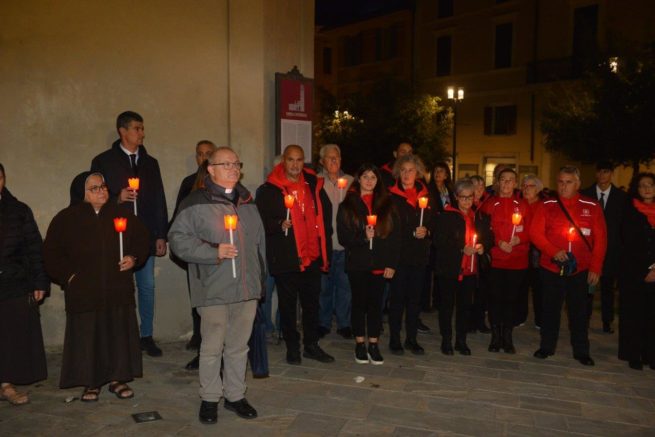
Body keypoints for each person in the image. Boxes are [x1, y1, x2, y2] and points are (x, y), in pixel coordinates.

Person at [169, 147, 265, 424]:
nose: (233, 169)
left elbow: (259, 245)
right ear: (210, 169)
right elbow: (177, 239)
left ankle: (235, 395)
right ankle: (210, 398)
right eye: (226, 164)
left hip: (246, 287)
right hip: (213, 287)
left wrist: (260, 281)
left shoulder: (248, 201)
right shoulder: (194, 202)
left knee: (239, 346)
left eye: (237, 164)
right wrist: (213, 252)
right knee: (212, 346)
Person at [44, 172, 149, 402]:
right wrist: (68, 277)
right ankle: (91, 381)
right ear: (81, 193)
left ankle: (118, 378)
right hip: (84, 291)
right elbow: (51, 253)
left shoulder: (122, 214)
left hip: (117, 288)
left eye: (103, 186)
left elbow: (142, 240)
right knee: (88, 336)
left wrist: (133, 257)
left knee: (117, 333)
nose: (101, 191)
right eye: (94, 188)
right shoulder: (66, 219)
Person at [91, 111, 168, 357]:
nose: (142, 133)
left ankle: (146, 335)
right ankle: (119, 336)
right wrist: (117, 197)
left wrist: (161, 234)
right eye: (137, 128)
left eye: (142, 128)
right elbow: (92, 196)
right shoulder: (104, 161)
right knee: (118, 287)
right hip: (115, 234)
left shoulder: (150, 163)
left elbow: (159, 199)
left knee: (147, 286)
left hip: (144, 235)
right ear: (122, 131)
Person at [256, 145, 334, 365]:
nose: (295, 164)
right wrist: (278, 224)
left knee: (311, 304)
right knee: (288, 306)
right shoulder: (270, 189)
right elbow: (260, 220)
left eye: (299, 160)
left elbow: (324, 214)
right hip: (287, 256)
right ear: (284, 161)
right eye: (291, 160)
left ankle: (311, 345)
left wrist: (324, 242)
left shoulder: (312, 184)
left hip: (312, 254)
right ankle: (292, 347)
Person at [530, 166, 607, 366]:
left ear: (578, 184)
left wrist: (596, 267)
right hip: (552, 268)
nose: (564, 186)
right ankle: (547, 346)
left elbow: (601, 239)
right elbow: (535, 233)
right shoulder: (547, 205)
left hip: (580, 270)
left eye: (569, 182)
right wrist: (552, 250)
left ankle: (581, 350)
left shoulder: (591, 206)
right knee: (550, 310)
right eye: (561, 182)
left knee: (579, 312)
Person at [337, 163, 400, 364]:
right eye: (365, 176)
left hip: (380, 262)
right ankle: (359, 343)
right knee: (358, 303)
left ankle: (373, 343)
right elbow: (343, 237)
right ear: (358, 179)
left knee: (376, 305)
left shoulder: (387, 204)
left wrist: (391, 263)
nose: (369, 181)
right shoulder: (348, 204)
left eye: (373, 177)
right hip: (358, 262)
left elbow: (395, 236)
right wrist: (363, 236)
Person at [0, 163, 49, 405]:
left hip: (14, 282)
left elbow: (34, 248)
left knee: (10, 337)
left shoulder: (18, 211)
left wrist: (40, 281)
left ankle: (6, 384)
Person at [171, 140, 217, 370]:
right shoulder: (189, 184)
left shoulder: (223, 183)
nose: (204, 158)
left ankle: (214, 349)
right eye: (200, 154)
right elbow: (179, 217)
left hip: (218, 254)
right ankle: (200, 340)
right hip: (196, 254)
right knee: (199, 300)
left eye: (208, 154)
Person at [434, 179, 489, 356]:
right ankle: (446, 340)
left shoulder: (478, 216)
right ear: (456, 197)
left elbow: (488, 236)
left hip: (470, 270)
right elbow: (439, 240)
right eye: (463, 197)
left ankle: (461, 340)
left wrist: (482, 246)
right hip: (450, 268)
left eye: (470, 197)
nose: (466, 201)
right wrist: (461, 248)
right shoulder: (447, 215)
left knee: (465, 306)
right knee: (447, 306)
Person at [480, 168, 530, 353]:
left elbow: (530, 230)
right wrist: (498, 242)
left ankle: (507, 336)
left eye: (510, 180)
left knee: (511, 299)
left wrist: (520, 239)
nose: (507, 183)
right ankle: (495, 336)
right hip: (496, 260)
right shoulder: (489, 204)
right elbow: (484, 230)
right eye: (503, 179)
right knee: (495, 299)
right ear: (498, 182)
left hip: (517, 261)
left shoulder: (523, 205)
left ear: (516, 184)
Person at [388, 154, 433, 355]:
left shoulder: (425, 195)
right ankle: (395, 339)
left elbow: (433, 222)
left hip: (419, 256)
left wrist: (427, 231)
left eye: (411, 170)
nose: (406, 174)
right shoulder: (391, 196)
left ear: (418, 173)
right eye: (403, 170)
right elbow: (388, 227)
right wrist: (411, 232)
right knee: (397, 300)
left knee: (414, 301)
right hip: (399, 256)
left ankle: (412, 339)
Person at [580, 161, 627, 334]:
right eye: (600, 171)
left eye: (606, 172)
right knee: (587, 288)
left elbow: (624, 226)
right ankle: (584, 320)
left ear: (611, 174)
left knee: (608, 288)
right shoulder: (585, 194)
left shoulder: (621, 197)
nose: (602, 175)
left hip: (612, 251)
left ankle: (607, 321)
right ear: (596, 173)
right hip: (588, 249)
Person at [618, 173, 655, 370]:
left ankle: (651, 354)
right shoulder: (629, 210)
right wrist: (644, 271)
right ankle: (634, 354)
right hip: (634, 271)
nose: (647, 189)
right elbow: (627, 242)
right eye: (642, 185)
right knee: (634, 314)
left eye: (650, 185)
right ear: (636, 189)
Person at [317, 144, 353, 339]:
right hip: (325, 244)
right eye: (329, 158)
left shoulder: (350, 182)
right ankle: (323, 323)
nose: (334, 161)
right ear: (322, 161)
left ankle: (344, 323)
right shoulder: (316, 182)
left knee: (345, 287)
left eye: (337, 157)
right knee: (324, 287)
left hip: (345, 244)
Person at [518, 174, 546, 328]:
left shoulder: (543, 206)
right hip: (520, 249)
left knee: (539, 287)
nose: (526, 189)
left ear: (538, 189)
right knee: (521, 285)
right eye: (524, 185)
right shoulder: (518, 204)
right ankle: (520, 316)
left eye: (530, 186)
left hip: (537, 251)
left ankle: (540, 319)